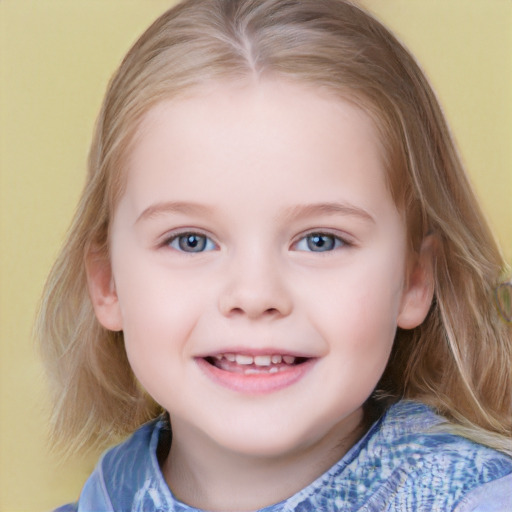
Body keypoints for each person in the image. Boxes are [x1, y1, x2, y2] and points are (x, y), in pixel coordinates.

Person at [37, 0, 512, 510]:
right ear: (108, 283)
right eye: (190, 241)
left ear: (415, 278)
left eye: (320, 240)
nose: (255, 294)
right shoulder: (105, 497)